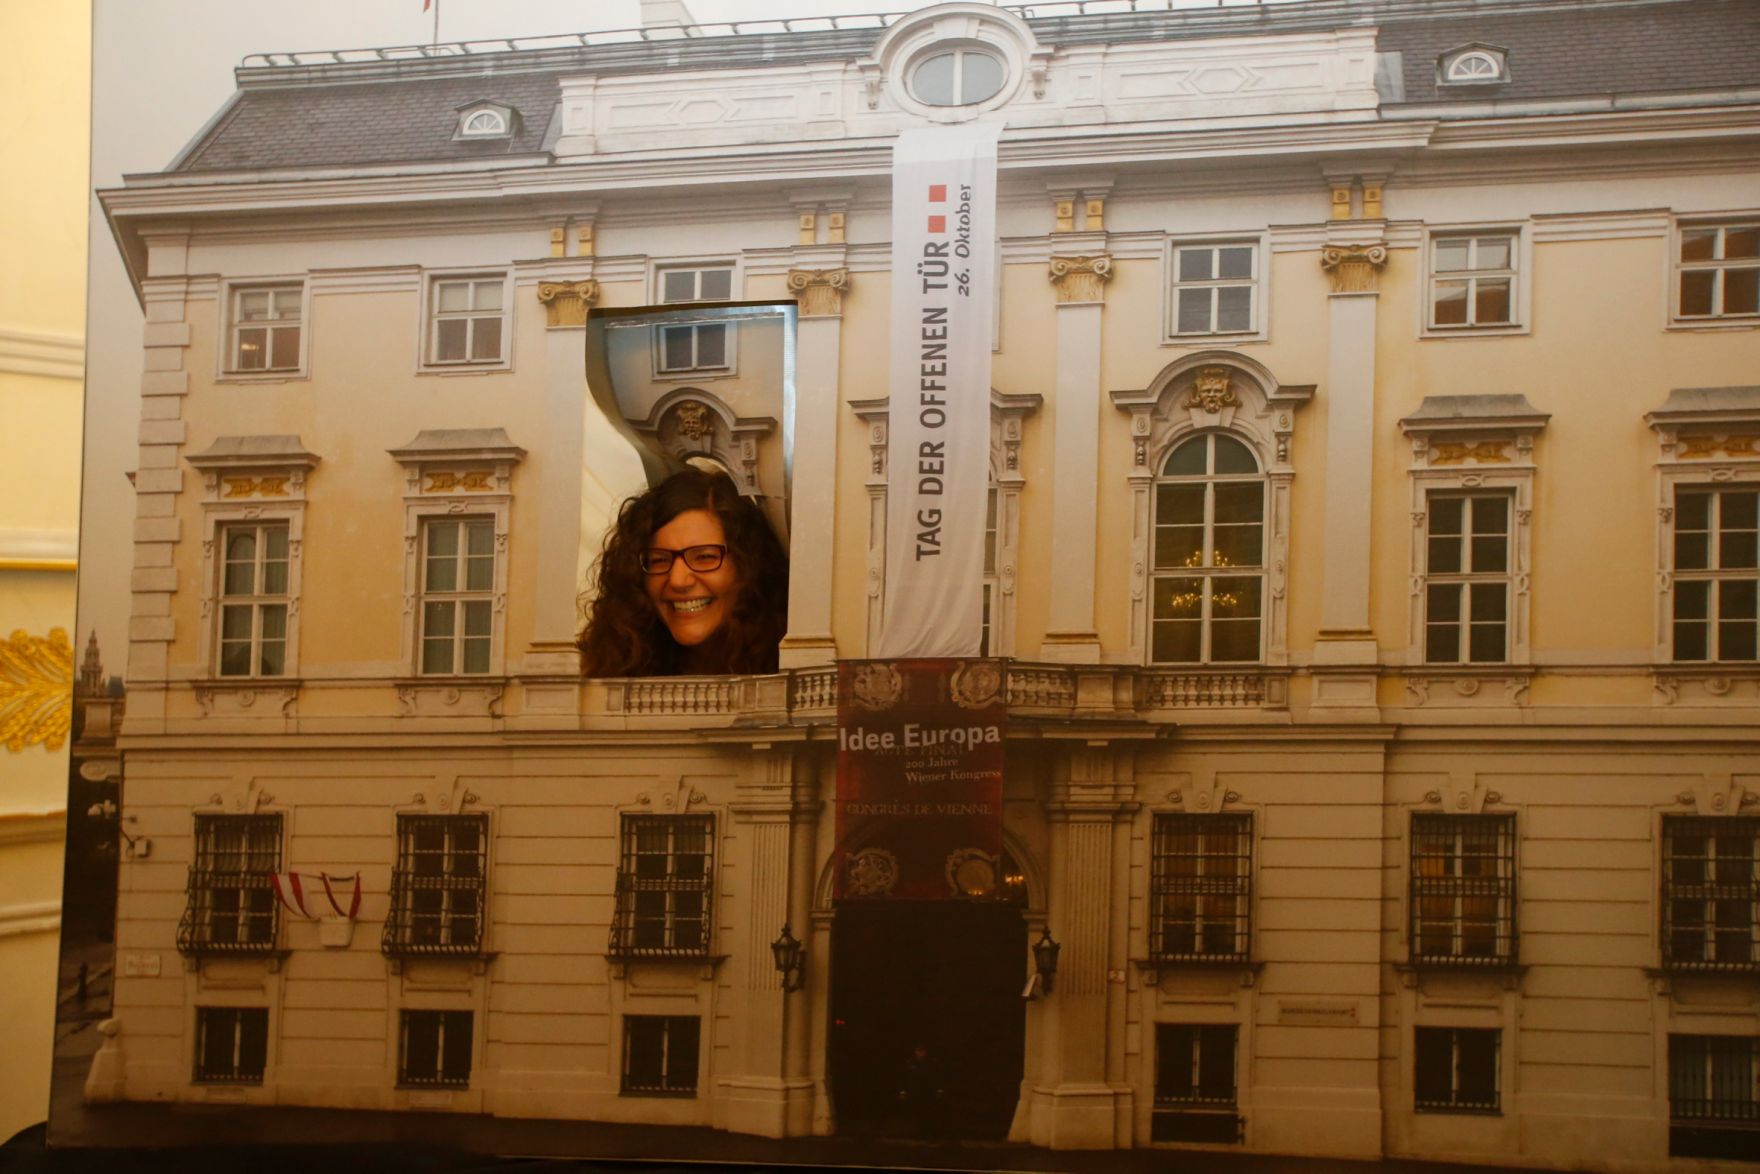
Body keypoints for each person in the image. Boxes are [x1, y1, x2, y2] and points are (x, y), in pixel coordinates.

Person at [579, 466, 788, 677]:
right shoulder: (607, 671)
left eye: (705, 557)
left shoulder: (794, 671)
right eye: (658, 560)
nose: (678, 580)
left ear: (749, 565)